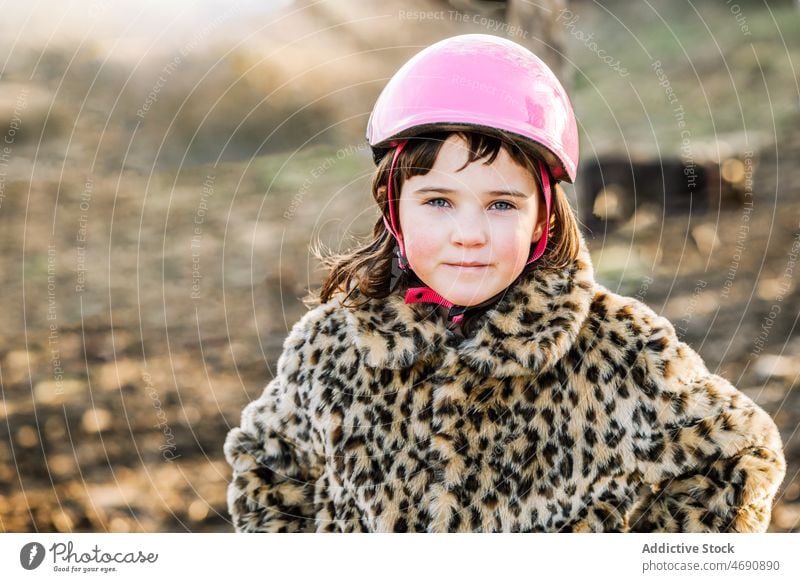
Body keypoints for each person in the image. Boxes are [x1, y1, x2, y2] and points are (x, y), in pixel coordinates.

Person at [224, 34, 785, 532]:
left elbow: (741, 454)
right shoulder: (328, 348)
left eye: (500, 204)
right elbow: (267, 464)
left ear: (542, 218)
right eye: (439, 201)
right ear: (393, 209)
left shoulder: (621, 350)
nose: (469, 234)